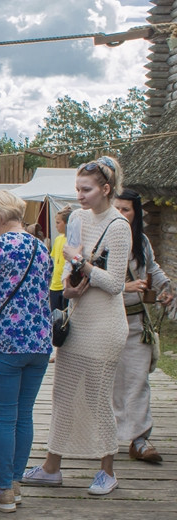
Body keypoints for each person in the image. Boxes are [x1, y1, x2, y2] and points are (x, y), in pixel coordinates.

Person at [22, 156, 131, 496]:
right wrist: (68, 286)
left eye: (86, 190)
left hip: (105, 326)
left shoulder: (119, 227)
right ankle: (52, 466)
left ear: (106, 189)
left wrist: (80, 262)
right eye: (78, 189)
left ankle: (107, 470)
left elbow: (114, 283)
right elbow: (70, 269)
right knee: (63, 396)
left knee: (98, 399)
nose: (80, 196)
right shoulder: (79, 219)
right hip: (79, 319)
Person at [0, 192, 53, 513]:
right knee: (24, 415)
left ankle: (4, 489)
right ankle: (15, 483)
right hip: (41, 342)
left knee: (4, 417)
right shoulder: (43, 249)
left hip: (7, 341)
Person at [113, 189, 173, 463]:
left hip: (136, 321)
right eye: (117, 209)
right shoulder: (101, 238)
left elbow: (153, 269)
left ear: (136, 213)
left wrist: (166, 287)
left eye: (126, 210)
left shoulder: (142, 242)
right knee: (105, 384)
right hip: (104, 321)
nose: (121, 214)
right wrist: (124, 286)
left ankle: (139, 439)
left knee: (138, 381)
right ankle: (100, 436)